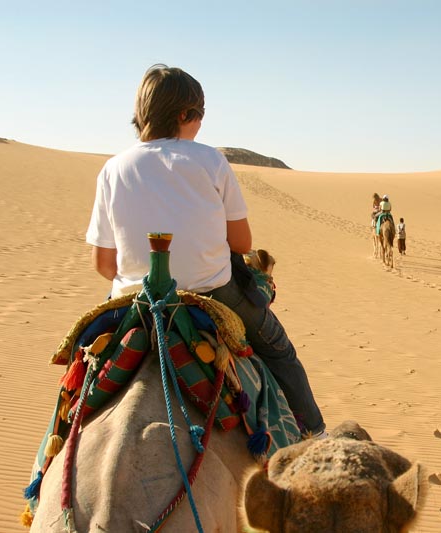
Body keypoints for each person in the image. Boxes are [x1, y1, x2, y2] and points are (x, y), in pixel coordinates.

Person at [85, 64, 325, 438]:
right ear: (184, 114)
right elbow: (242, 244)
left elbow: (103, 264)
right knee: (279, 351)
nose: (201, 123)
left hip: (136, 300)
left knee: (82, 368)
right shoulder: (210, 160)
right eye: (199, 114)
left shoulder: (112, 169)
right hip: (213, 293)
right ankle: (316, 435)